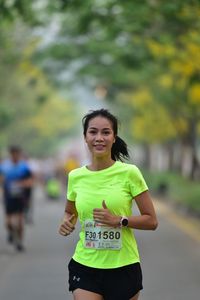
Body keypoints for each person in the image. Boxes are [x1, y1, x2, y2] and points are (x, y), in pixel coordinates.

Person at [58, 109, 158, 300]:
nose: (99, 138)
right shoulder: (75, 176)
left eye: (106, 132)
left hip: (123, 266)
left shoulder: (130, 173)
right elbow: (69, 212)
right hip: (85, 264)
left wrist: (119, 220)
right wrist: (66, 222)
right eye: (93, 132)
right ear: (85, 137)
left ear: (114, 138)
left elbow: (152, 221)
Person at [0, 145, 34, 251]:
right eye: (13, 154)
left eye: (17, 154)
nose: (15, 156)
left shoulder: (24, 167)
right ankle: (11, 232)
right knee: (9, 223)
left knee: (20, 223)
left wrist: (20, 184)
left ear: (19, 154)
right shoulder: (4, 166)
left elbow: (30, 181)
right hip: (8, 197)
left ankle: (19, 242)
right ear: (10, 154)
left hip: (20, 197)